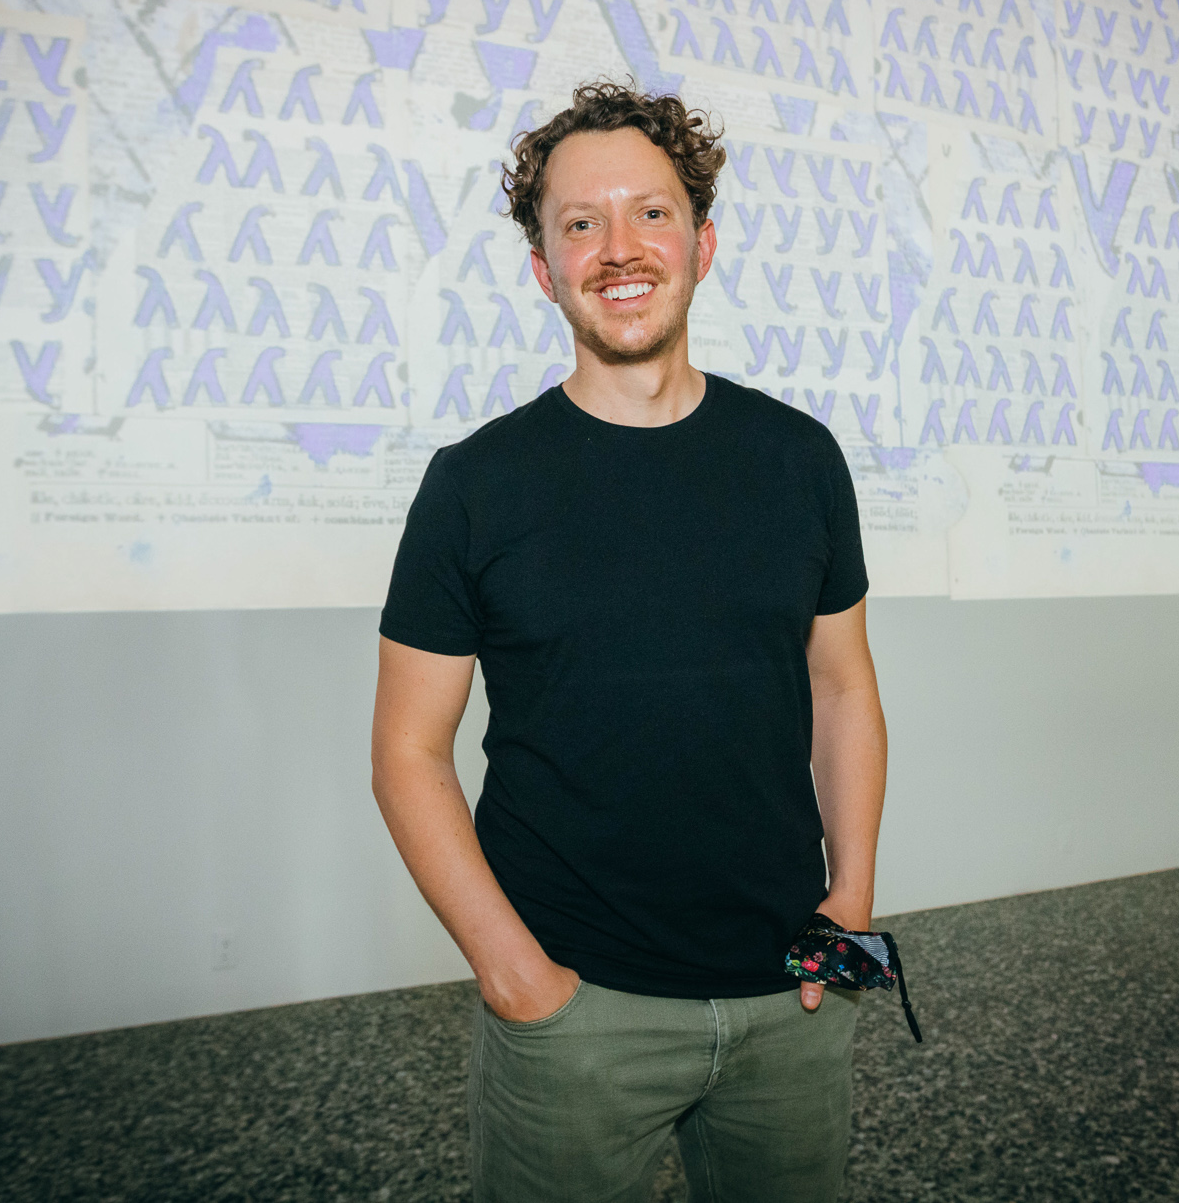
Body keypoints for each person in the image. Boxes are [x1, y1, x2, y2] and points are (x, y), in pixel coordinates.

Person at [371, 81, 889, 1203]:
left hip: (789, 997)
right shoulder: (473, 488)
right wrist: (516, 979)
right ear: (541, 267)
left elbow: (842, 689)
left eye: (649, 214)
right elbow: (407, 752)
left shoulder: (799, 459)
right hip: (573, 1011)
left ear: (700, 245)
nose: (617, 248)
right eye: (578, 223)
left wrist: (848, 905)